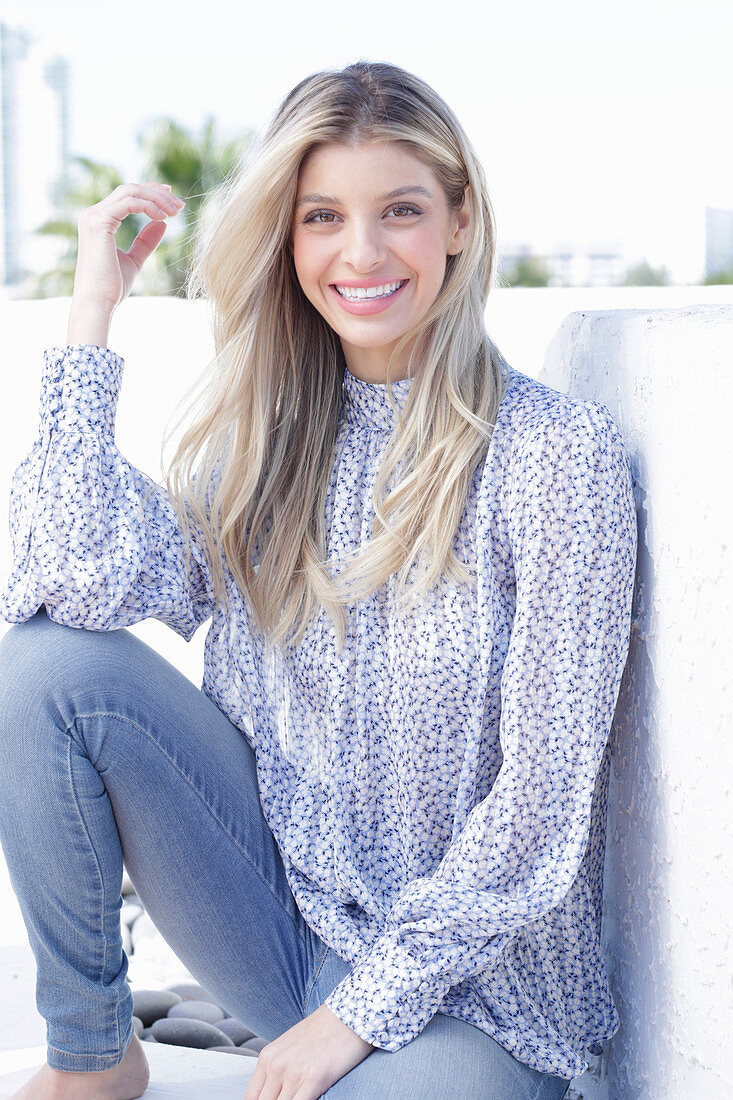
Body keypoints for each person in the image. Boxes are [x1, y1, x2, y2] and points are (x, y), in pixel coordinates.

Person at [0, 59, 637, 1100]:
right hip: (281, 924)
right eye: (321, 217)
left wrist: (355, 1015)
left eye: (400, 210)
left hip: (478, 991)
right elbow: (62, 582)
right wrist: (90, 313)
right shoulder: (264, 445)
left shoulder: (554, 458)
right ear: (287, 237)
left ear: (461, 220)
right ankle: (91, 1058)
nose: (362, 252)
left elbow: (536, 814)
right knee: (41, 667)